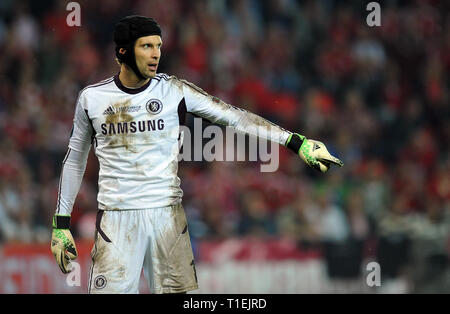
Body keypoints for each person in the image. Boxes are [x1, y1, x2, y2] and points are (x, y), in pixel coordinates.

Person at [50, 15, 343, 294]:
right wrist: (61, 223)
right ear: (123, 51)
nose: (156, 54)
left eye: (159, 46)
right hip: (116, 220)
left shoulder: (174, 90)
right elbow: (75, 159)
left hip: (167, 219)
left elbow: (235, 117)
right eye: (147, 46)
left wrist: (295, 141)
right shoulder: (93, 98)